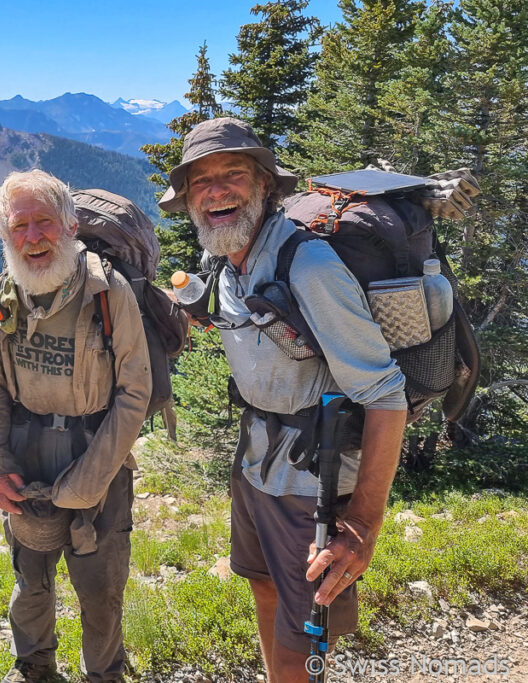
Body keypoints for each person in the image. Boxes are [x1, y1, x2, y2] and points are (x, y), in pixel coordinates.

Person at [158, 118, 408, 682]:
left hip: (311, 479)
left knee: (304, 639)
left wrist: (363, 526)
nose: (216, 189)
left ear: (266, 186)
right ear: (189, 199)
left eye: (234, 175)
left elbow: (385, 395)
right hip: (255, 462)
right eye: (201, 181)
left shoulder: (310, 265)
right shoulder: (227, 258)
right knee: (263, 584)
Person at [0, 170, 151, 683]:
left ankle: (104, 675)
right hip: (24, 462)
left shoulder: (107, 292)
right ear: (5, 236)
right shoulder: (0, 297)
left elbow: (134, 393)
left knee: (100, 588)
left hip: (99, 456)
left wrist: (87, 482)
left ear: (70, 225)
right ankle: (33, 670)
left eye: (44, 222)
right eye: (19, 227)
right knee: (29, 583)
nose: (33, 238)